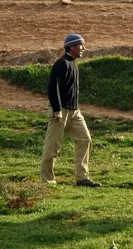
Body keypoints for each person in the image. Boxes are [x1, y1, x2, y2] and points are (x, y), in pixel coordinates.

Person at [40, 33, 100, 188]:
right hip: (60, 111)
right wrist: (57, 109)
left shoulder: (73, 63)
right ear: (72, 46)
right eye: (81, 45)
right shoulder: (61, 64)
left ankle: (82, 178)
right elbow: (53, 88)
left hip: (74, 111)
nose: (83, 49)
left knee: (84, 139)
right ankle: (47, 181)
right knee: (52, 147)